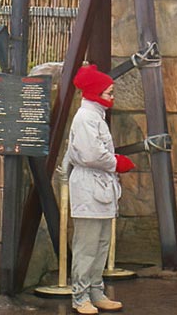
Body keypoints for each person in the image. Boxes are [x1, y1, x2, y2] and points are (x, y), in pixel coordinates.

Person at [62, 65, 135, 314]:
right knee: (87, 246)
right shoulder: (86, 118)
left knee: (100, 244)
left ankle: (95, 290)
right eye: (108, 92)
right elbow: (91, 153)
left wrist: (112, 163)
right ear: (95, 92)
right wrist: (116, 162)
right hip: (90, 186)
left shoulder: (95, 116)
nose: (111, 97)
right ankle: (80, 295)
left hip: (99, 188)